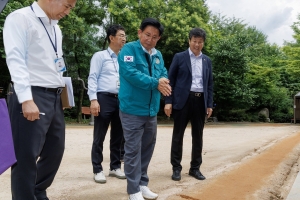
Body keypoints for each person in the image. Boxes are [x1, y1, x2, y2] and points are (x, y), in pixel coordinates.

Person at [3, 0, 76, 199]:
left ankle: (37, 191)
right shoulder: (20, 18)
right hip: (31, 93)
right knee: (25, 158)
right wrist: (26, 98)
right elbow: (15, 59)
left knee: (55, 151)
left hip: (54, 96)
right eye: (67, 6)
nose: (68, 12)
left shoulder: (55, 28)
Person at [118, 18, 171, 200]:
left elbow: (163, 72)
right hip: (132, 109)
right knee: (132, 150)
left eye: (155, 37)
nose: (150, 39)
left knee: (147, 148)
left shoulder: (158, 55)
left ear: (159, 39)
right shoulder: (129, 50)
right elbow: (131, 74)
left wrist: (163, 80)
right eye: (147, 34)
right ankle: (133, 190)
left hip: (151, 110)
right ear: (140, 32)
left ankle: (142, 184)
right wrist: (156, 83)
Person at [164, 28, 213, 182]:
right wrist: (168, 101)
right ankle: (176, 168)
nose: (197, 44)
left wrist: (209, 104)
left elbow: (209, 84)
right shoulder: (180, 57)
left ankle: (195, 168)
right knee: (178, 136)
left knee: (198, 137)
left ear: (203, 43)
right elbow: (169, 80)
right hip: (182, 101)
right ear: (189, 41)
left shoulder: (207, 61)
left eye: (200, 42)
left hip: (200, 101)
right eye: (194, 41)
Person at [88, 24, 127, 184]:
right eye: (121, 35)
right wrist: (93, 99)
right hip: (104, 97)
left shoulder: (125, 57)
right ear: (111, 38)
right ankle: (97, 169)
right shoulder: (100, 56)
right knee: (99, 136)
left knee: (118, 135)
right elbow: (92, 77)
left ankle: (115, 167)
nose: (124, 39)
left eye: (125, 36)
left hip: (121, 99)